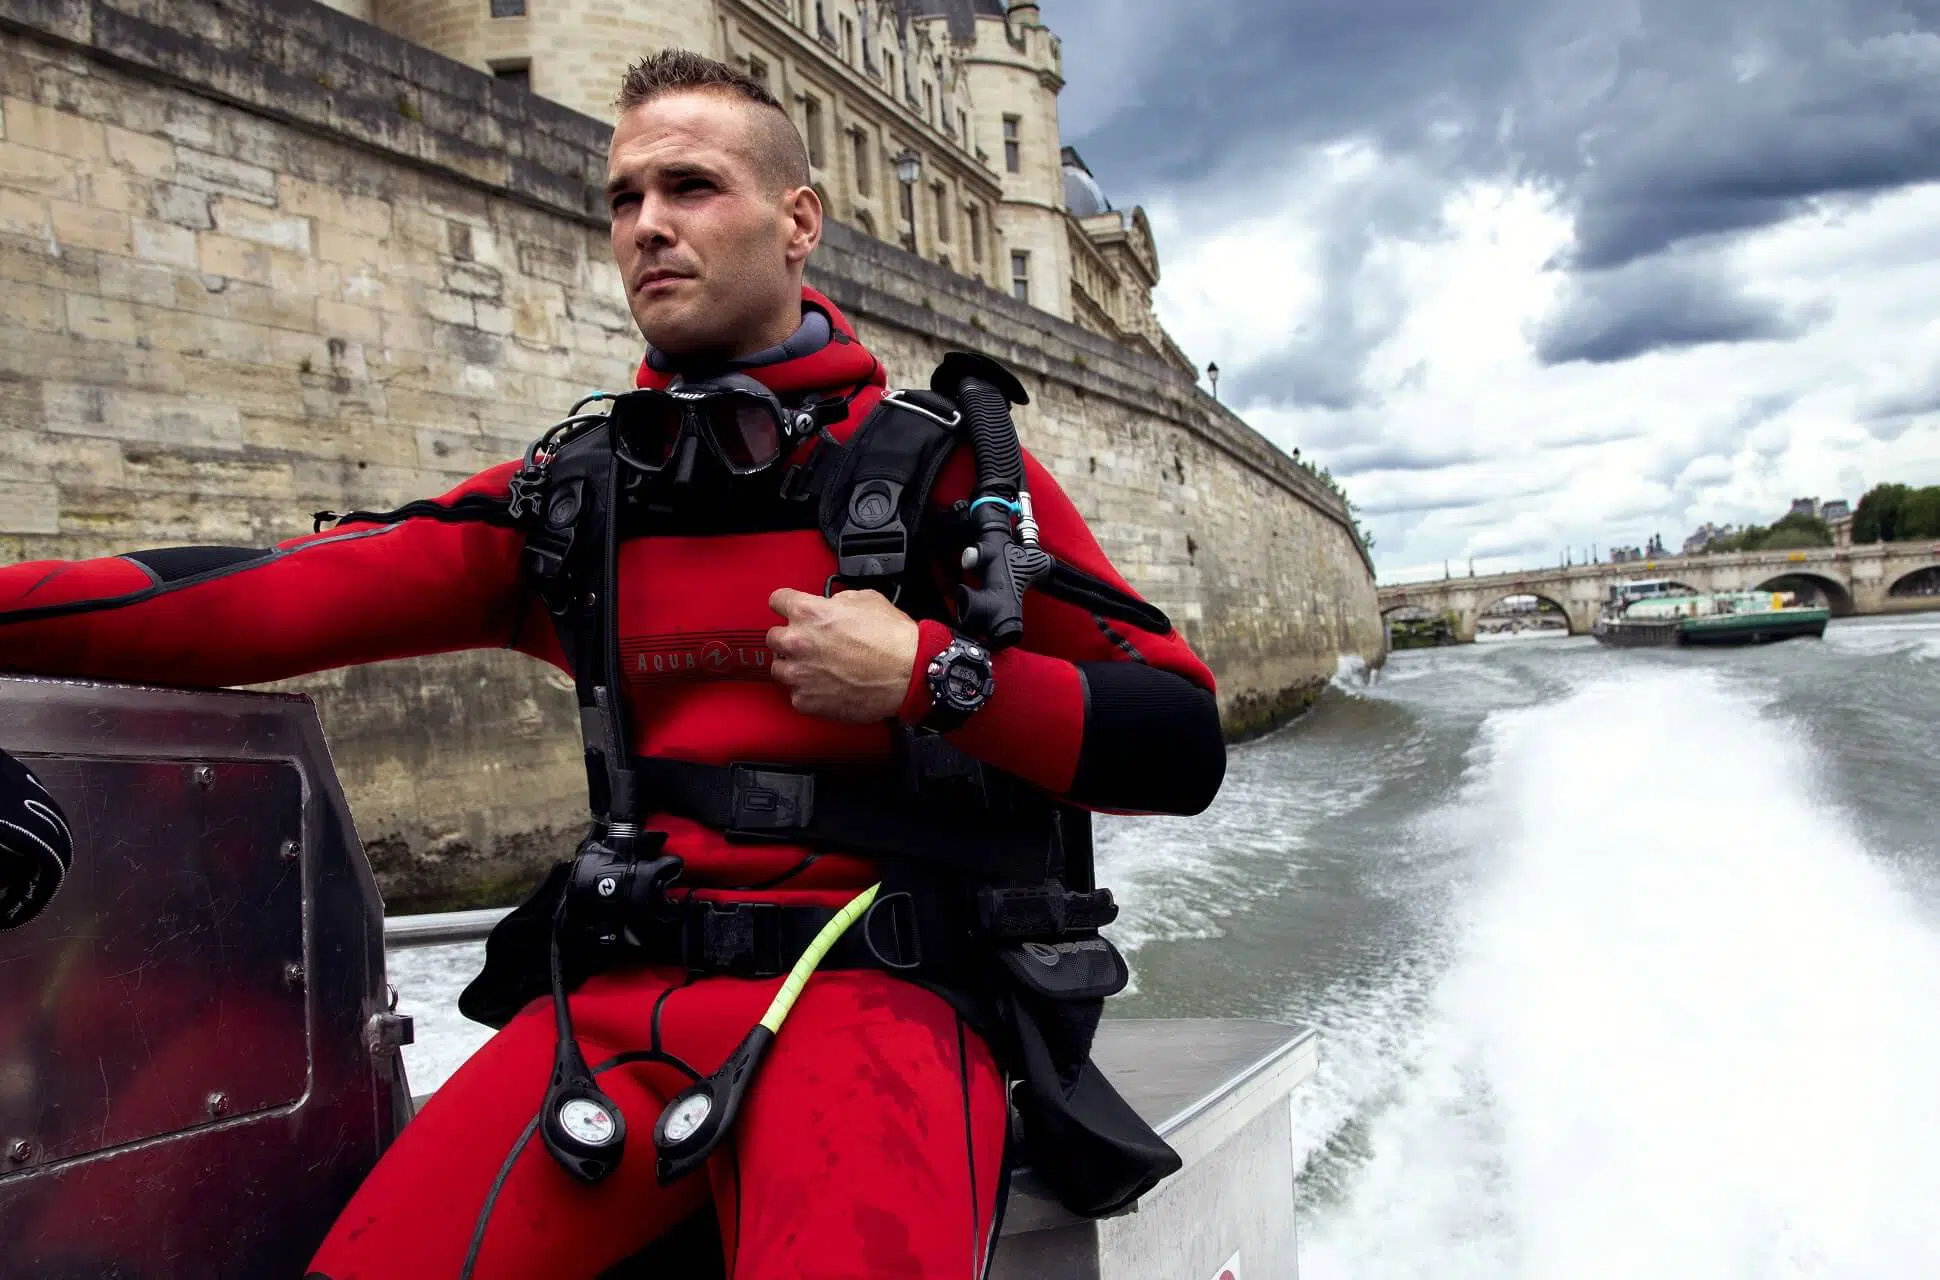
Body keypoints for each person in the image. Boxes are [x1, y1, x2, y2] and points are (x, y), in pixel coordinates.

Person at [0, 50, 1225, 1279]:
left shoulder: (942, 473)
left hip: (883, 1000)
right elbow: (252, 600)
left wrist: (934, 674)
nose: (647, 226)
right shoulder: (576, 497)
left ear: (799, 220)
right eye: (621, 197)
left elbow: (1176, 737)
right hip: (611, 1003)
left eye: (689, 186)